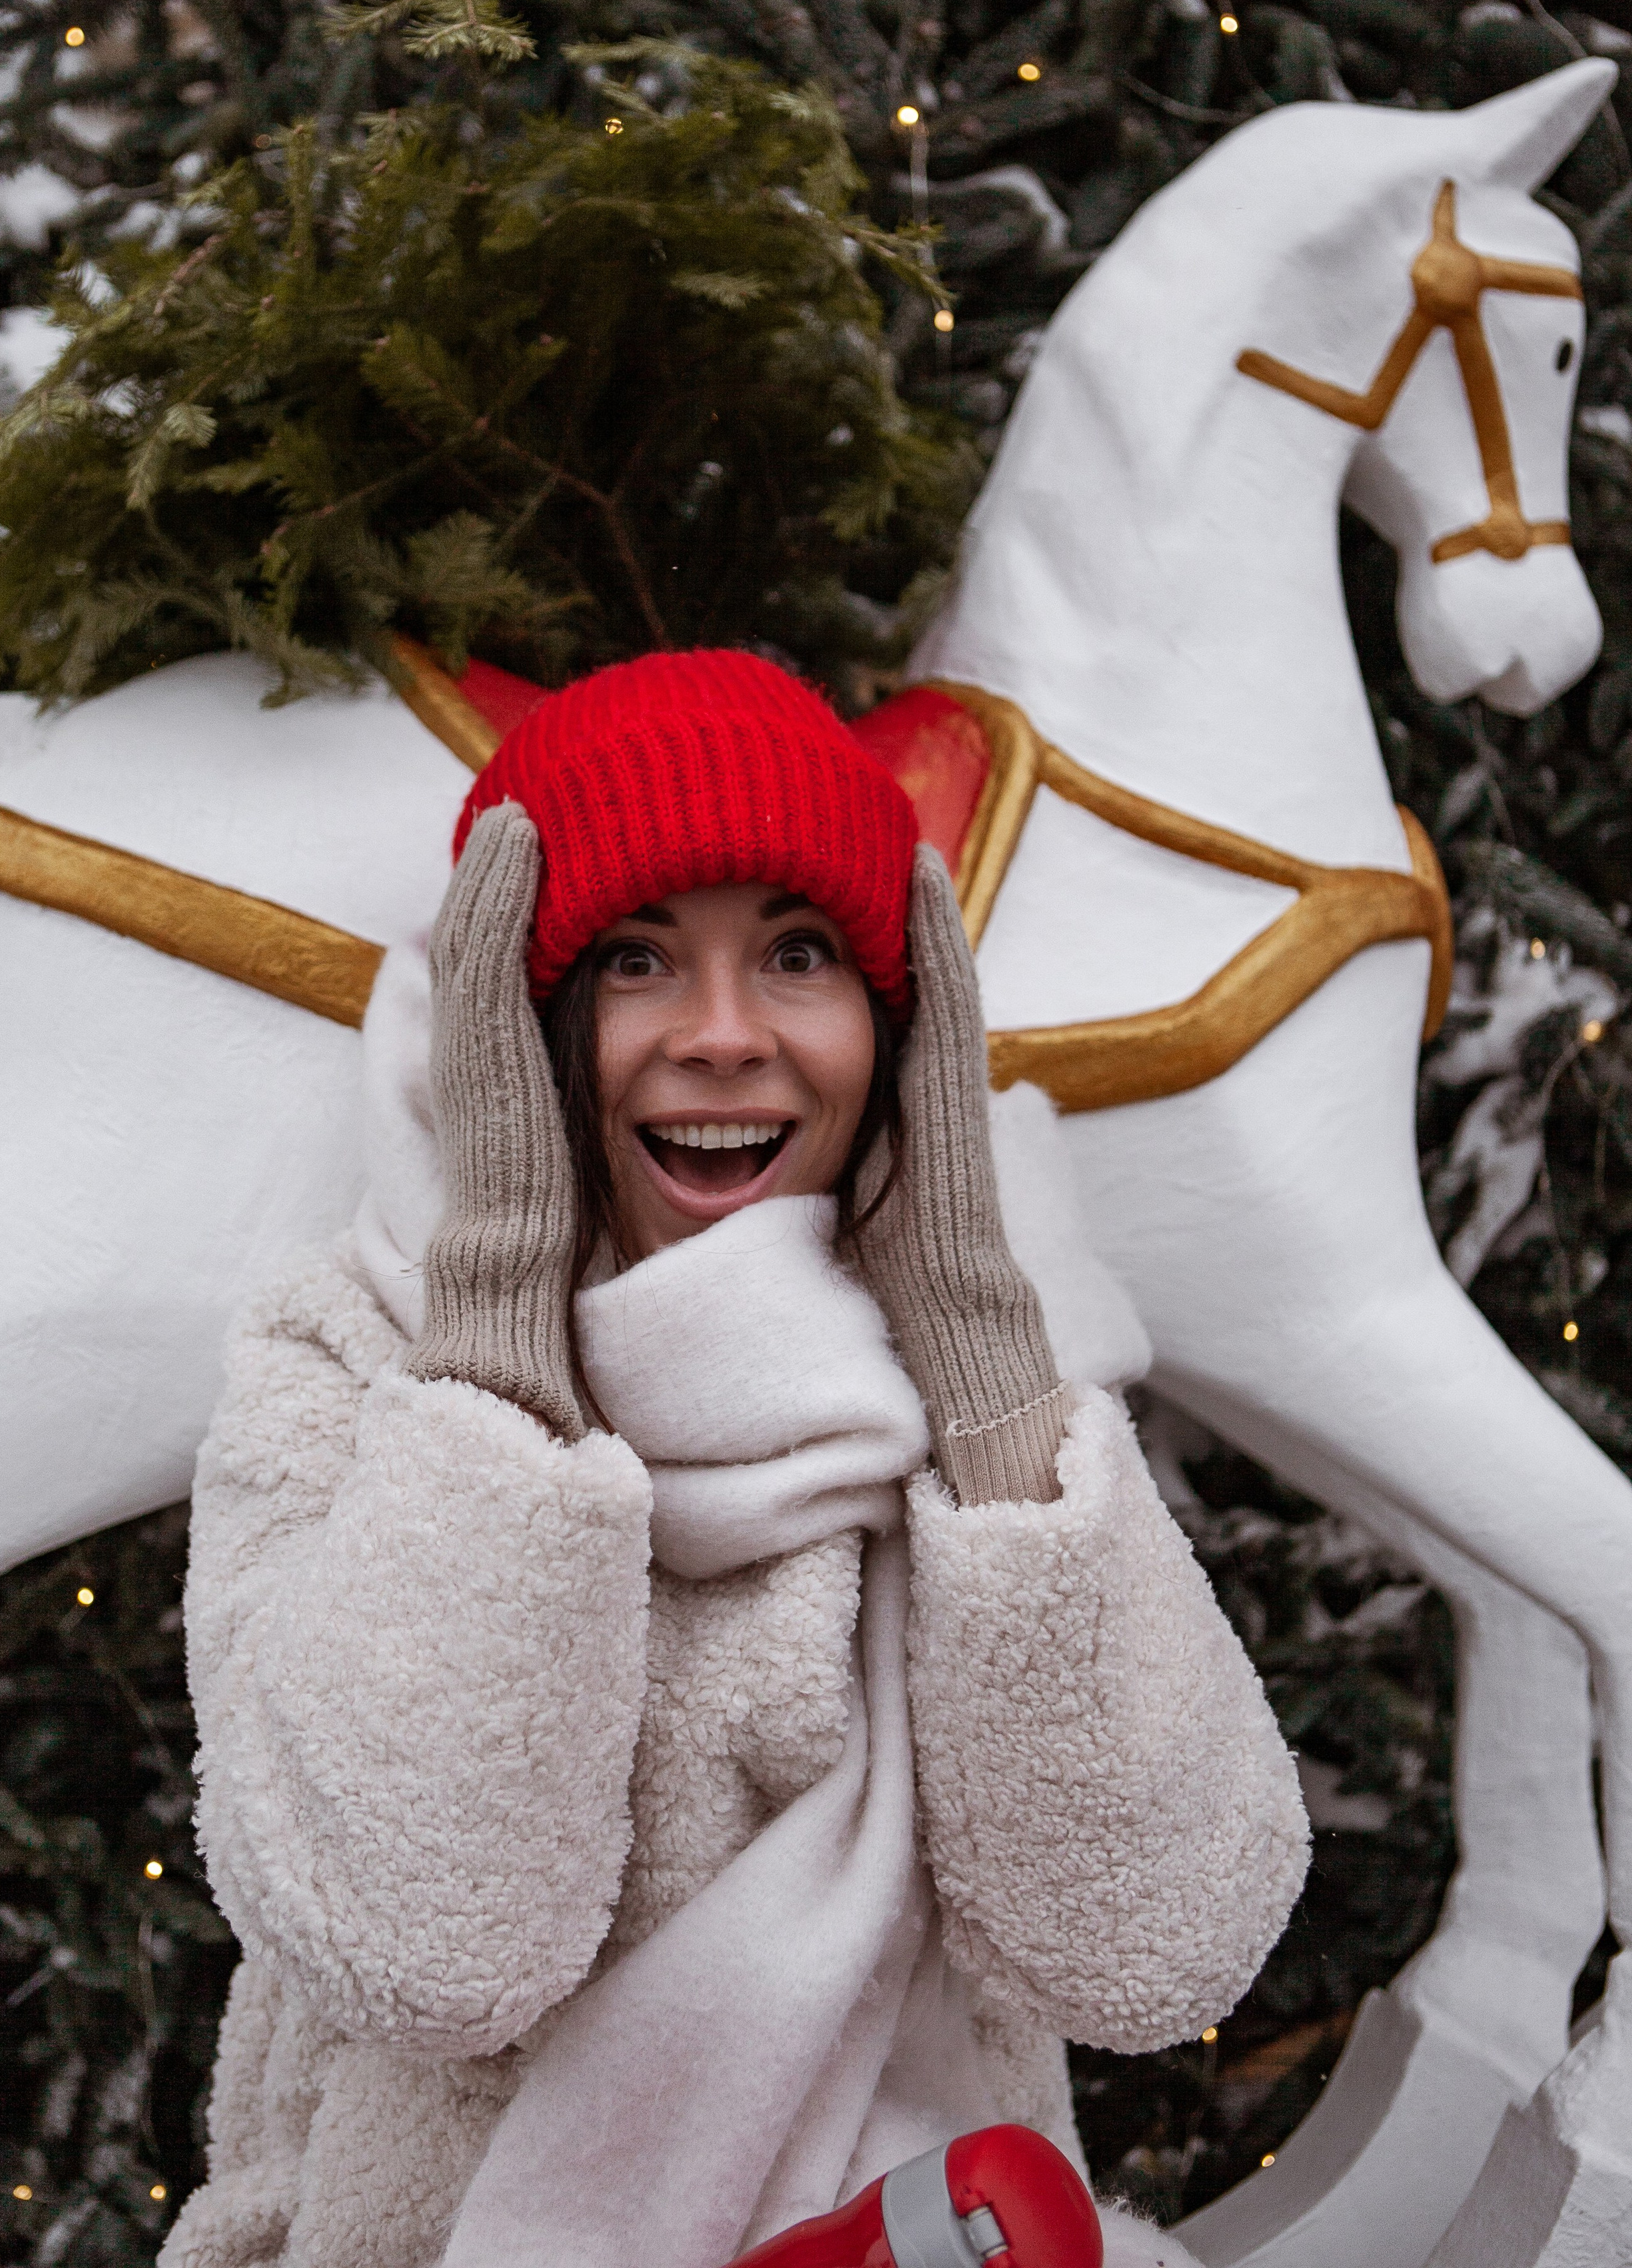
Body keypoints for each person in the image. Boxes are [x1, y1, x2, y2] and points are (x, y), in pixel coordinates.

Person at [163, 651, 1308, 2268]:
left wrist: (983, 1375)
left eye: (795, 954)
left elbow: (1150, 1954)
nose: (721, 1036)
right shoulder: (344, 1364)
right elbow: (427, 1948)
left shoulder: (1000, 1409)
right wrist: (494, 1340)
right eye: (636, 961)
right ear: (519, 1024)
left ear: (889, 1021)